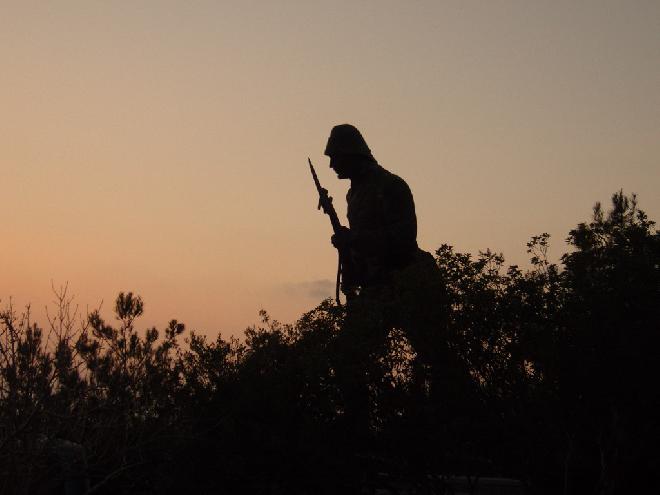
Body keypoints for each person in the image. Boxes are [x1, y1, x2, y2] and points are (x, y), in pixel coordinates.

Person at [324, 124, 450, 437]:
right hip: (375, 286)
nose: (331, 165)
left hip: (409, 280)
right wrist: (350, 250)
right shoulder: (354, 193)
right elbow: (365, 249)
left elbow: (404, 238)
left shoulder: (391, 186)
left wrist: (356, 240)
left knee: (438, 361)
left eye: (336, 157)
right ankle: (359, 428)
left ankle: (450, 428)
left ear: (353, 154)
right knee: (346, 356)